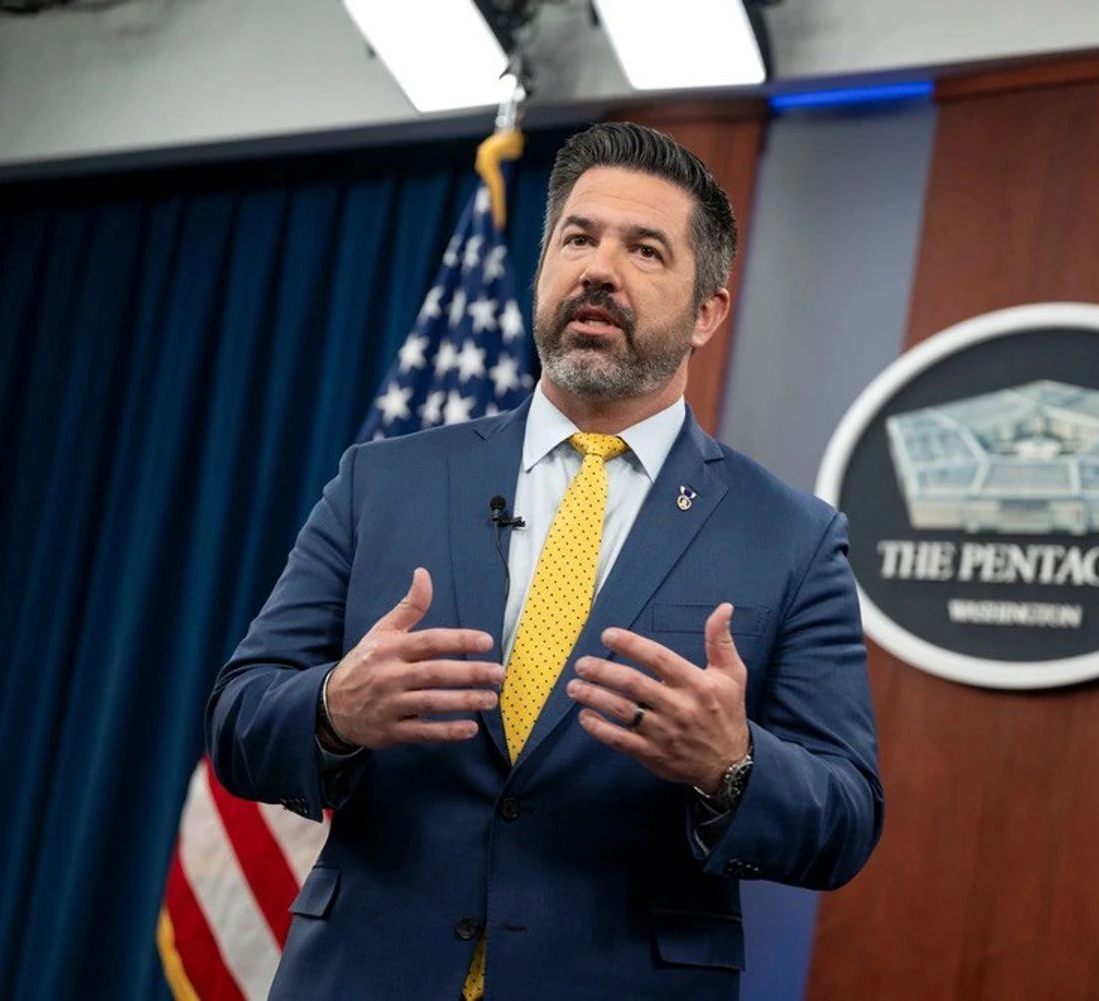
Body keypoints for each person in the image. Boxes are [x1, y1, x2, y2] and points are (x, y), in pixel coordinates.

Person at [206, 122, 883, 1001]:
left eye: (644, 249)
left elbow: (846, 817)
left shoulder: (792, 538)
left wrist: (733, 763)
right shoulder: (384, 481)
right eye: (577, 238)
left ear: (707, 311)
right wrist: (334, 708)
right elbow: (238, 716)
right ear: (542, 271)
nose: (599, 269)